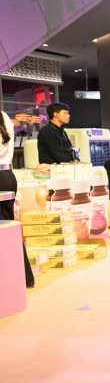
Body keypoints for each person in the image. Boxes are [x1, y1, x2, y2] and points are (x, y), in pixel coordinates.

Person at [0, 110, 34, 289]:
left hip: (2, 176)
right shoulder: (4, 115)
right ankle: (23, 277)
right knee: (8, 229)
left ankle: (17, 278)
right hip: (6, 175)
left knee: (6, 229)